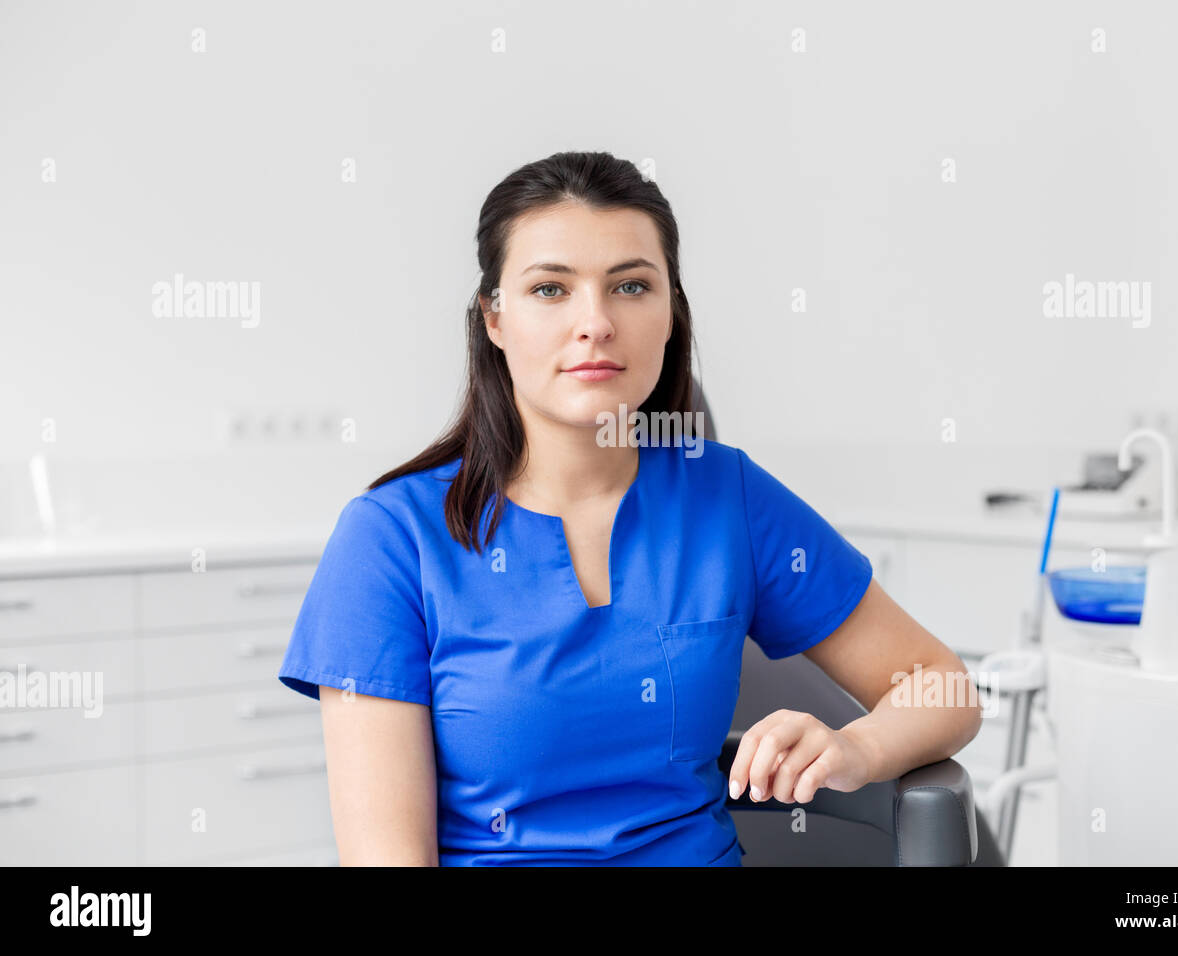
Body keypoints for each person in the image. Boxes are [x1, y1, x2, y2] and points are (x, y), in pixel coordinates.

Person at [278, 150, 980, 866]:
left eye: (631, 286)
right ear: (494, 317)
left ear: (671, 312)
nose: (596, 323)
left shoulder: (724, 495)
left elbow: (943, 686)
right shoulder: (392, 539)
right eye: (550, 289)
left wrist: (856, 747)